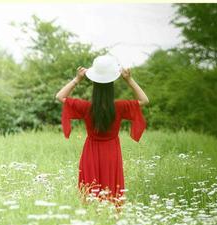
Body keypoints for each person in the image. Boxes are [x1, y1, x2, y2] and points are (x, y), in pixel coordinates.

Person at [55, 54, 149, 211]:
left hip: (90, 152)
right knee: (111, 193)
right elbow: (145, 100)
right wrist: (129, 80)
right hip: (112, 153)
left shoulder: (86, 107)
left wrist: (77, 79)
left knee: (90, 195)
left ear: (94, 83)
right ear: (112, 83)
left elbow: (59, 96)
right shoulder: (119, 107)